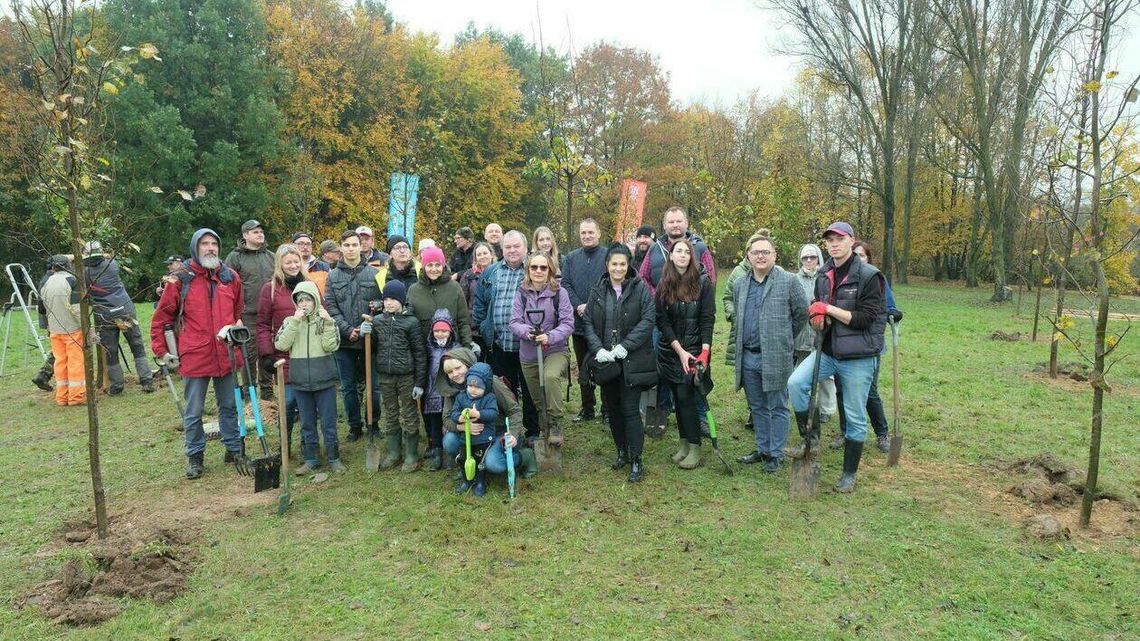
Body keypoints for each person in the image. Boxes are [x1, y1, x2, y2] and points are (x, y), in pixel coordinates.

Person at [786, 222, 886, 493]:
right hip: (828, 350)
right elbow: (819, 313)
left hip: (858, 356)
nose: (833, 244)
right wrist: (817, 318)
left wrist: (827, 308)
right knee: (796, 383)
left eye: (839, 239)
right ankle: (811, 439)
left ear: (852, 241)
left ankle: (849, 473)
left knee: (854, 415)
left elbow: (866, 319)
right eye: (829, 239)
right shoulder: (824, 274)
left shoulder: (869, 276)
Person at [151, 228, 244, 480]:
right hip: (195, 353)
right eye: (205, 243)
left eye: (214, 243)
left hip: (225, 352)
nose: (210, 248)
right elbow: (162, 318)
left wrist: (235, 330)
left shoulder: (230, 277)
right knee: (194, 411)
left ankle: (234, 449)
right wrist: (161, 350)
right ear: (195, 247)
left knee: (229, 406)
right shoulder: (181, 279)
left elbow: (237, 312)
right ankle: (195, 455)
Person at [729, 231, 808, 473]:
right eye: (756, 252)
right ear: (748, 256)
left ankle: (776, 454)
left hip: (775, 356)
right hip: (748, 356)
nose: (761, 256)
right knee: (757, 406)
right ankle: (763, 449)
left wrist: (783, 340)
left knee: (777, 405)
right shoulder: (741, 283)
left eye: (766, 252)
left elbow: (801, 315)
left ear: (774, 255)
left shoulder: (789, 281)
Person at [638, 207, 716, 433]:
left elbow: (709, 278)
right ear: (664, 225)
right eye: (670, 221)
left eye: (679, 221)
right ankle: (661, 414)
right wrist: (662, 297)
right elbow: (643, 277)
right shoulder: (654, 250)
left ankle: (699, 416)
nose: (675, 225)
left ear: (686, 223)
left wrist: (689, 298)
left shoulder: (699, 247)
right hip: (663, 320)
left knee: (695, 372)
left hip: (692, 322)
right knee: (662, 369)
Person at [583, 243, 656, 482]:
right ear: (607, 265)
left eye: (622, 264)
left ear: (629, 265)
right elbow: (589, 325)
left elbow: (647, 320)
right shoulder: (597, 290)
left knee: (630, 410)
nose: (618, 268)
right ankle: (622, 452)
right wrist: (598, 349)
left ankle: (636, 459)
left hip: (631, 360)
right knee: (613, 408)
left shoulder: (640, 289)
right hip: (606, 361)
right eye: (614, 264)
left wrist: (626, 346)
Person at [830, 240, 904, 454]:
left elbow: (888, 306)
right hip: (843, 346)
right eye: (855, 255)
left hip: (868, 347)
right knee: (842, 391)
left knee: (869, 392)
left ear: (868, 259)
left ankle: (882, 434)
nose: (858, 258)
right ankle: (845, 431)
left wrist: (893, 312)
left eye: (862, 255)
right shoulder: (841, 279)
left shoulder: (875, 278)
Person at [407, 245, 475, 462]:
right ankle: (433, 441)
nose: (434, 269)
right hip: (425, 351)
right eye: (430, 265)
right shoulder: (414, 290)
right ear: (423, 266)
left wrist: (467, 346)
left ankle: (453, 433)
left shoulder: (454, 288)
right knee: (429, 395)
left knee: (450, 391)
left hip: (451, 350)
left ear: (443, 264)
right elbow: (409, 320)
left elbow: (463, 320)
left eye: (438, 264)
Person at [472, 230, 539, 440]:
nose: (512, 250)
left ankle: (533, 431)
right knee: (504, 391)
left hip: (527, 345)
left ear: (525, 248)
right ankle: (508, 429)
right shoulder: (491, 272)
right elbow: (480, 303)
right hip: (500, 345)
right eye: (507, 247)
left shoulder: (534, 269)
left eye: (516, 246)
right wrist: (484, 327)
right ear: (501, 249)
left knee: (530, 390)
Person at [654, 238, 714, 470]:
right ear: (670, 256)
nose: (682, 255)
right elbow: (663, 321)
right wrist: (678, 350)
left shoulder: (703, 283)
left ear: (691, 257)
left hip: (696, 352)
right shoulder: (664, 285)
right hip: (671, 353)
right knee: (678, 400)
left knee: (687, 398)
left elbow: (708, 318)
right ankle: (684, 443)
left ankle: (695, 446)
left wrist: (705, 351)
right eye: (677, 251)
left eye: (686, 252)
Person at [274, 280, 344, 475]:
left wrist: (329, 323)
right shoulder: (290, 322)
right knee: (306, 422)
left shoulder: (325, 321)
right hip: (300, 381)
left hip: (325, 380)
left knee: (328, 422)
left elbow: (331, 346)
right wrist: (295, 322)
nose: (304, 303)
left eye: (308, 299)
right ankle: (311, 458)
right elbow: (281, 344)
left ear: (315, 300)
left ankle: (334, 457)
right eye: (300, 300)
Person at [437, 347, 535, 484]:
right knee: (449, 441)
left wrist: (512, 433)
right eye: (449, 372)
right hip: (471, 435)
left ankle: (524, 456)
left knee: (494, 464)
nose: (455, 374)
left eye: (458, 368)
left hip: (498, 431)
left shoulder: (491, 382)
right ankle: (469, 468)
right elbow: (446, 419)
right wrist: (463, 427)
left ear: (468, 364)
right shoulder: (452, 388)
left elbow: (514, 411)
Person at [509, 251, 575, 449]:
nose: (538, 271)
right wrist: (529, 332)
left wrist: (550, 336)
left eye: (543, 267)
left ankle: (555, 422)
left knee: (550, 376)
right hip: (529, 352)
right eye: (534, 267)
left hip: (555, 349)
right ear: (528, 270)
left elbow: (568, 323)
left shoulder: (559, 293)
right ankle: (544, 431)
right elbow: (514, 321)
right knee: (537, 396)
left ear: (550, 270)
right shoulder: (521, 292)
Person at [323, 229, 382, 443]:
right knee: (348, 387)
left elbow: (381, 305)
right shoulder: (333, 276)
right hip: (344, 341)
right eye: (346, 245)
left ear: (361, 247)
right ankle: (354, 425)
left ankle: (373, 423)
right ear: (341, 248)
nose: (350, 249)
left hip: (370, 340)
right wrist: (349, 329)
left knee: (373, 387)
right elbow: (330, 306)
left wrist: (368, 325)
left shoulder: (375, 274)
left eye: (354, 245)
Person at [363, 280, 426, 472]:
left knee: (409, 413)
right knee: (390, 413)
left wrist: (419, 382)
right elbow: (372, 348)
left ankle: (411, 454)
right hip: (385, 375)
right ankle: (393, 452)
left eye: (393, 299)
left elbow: (420, 353)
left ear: (402, 300)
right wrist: (367, 334)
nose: (389, 303)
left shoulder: (411, 322)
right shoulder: (379, 321)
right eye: (386, 299)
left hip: (406, 376)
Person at [82, 241, 155, 395]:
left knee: (111, 351)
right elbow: (106, 256)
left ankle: (116, 387)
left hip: (105, 315)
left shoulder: (85, 273)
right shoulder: (112, 264)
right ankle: (147, 381)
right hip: (124, 310)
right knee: (137, 346)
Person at [256, 244, 307, 452]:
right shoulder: (270, 290)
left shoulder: (309, 285)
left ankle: (308, 444)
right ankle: (284, 446)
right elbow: (261, 324)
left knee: (306, 405)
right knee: (287, 404)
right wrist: (267, 353)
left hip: (307, 353)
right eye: (288, 262)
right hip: (284, 356)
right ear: (280, 264)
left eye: (296, 261)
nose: (293, 265)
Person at [561, 219, 609, 423]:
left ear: (598, 233)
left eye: (591, 232)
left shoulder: (608, 256)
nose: (587, 236)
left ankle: (607, 410)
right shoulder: (571, 258)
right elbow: (566, 284)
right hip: (579, 323)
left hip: (603, 322)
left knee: (606, 365)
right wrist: (578, 305)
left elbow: (612, 283)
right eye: (583, 233)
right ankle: (587, 408)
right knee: (583, 367)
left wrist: (592, 306)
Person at [225, 219, 276, 398]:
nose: (260, 234)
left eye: (261, 231)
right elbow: (226, 287)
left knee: (268, 352)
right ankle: (249, 393)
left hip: (270, 314)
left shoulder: (271, 256)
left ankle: (268, 392)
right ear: (245, 235)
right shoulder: (234, 257)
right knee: (249, 354)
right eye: (255, 232)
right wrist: (233, 315)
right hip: (247, 315)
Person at [794, 243, 838, 424]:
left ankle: (827, 408)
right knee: (801, 371)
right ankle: (806, 406)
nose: (809, 260)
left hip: (823, 332)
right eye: (805, 257)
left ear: (818, 258)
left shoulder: (825, 278)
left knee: (826, 375)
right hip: (802, 334)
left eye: (812, 257)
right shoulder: (794, 279)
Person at [447, 362, 500, 496]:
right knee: (464, 459)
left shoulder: (489, 398)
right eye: (470, 385)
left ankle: (480, 482)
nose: (473, 390)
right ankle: (466, 481)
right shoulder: (461, 397)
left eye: (478, 387)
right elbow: (453, 413)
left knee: (481, 462)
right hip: (466, 439)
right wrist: (460, 418)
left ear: (486, 387)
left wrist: (479, 414)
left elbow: (493, 413)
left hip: (484, 439)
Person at [40, 255, 84, 407]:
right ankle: (76, 397)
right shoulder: (72, 281)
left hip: (54, 329)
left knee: (60, 363)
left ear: (53, 267)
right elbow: (77, 309)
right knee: (75, 362)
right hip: (72, 328)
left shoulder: (46, 282)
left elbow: (41, 308)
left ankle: (62, 397)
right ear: (68, 266)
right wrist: (86, 327)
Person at [721, 244, 753, 431]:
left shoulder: (776, 272)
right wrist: (735, 316)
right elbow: (727, 297)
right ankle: (753, 411)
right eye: (753, 250)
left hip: (766, 333)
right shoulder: (738, 272)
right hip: (742, 333)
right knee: (747, 374)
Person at [423, 309, 458, 471]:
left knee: (451, 422)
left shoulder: (457, 348)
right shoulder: (428, 348)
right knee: (435, 424)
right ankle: (437, 455)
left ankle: (452, 454)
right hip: (433, 391)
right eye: (437, 331)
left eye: (444, 331)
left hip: (450, 393)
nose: (440, 334)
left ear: (450, 331)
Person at [458, 241, 496, 358]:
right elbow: (463, 301)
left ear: (491, 254)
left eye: (485, 253)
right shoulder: (468, 276)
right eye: (479, 254)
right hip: (474, 327)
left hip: (495, 325)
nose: (483, 256)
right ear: (475, 257)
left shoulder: (499, 273)